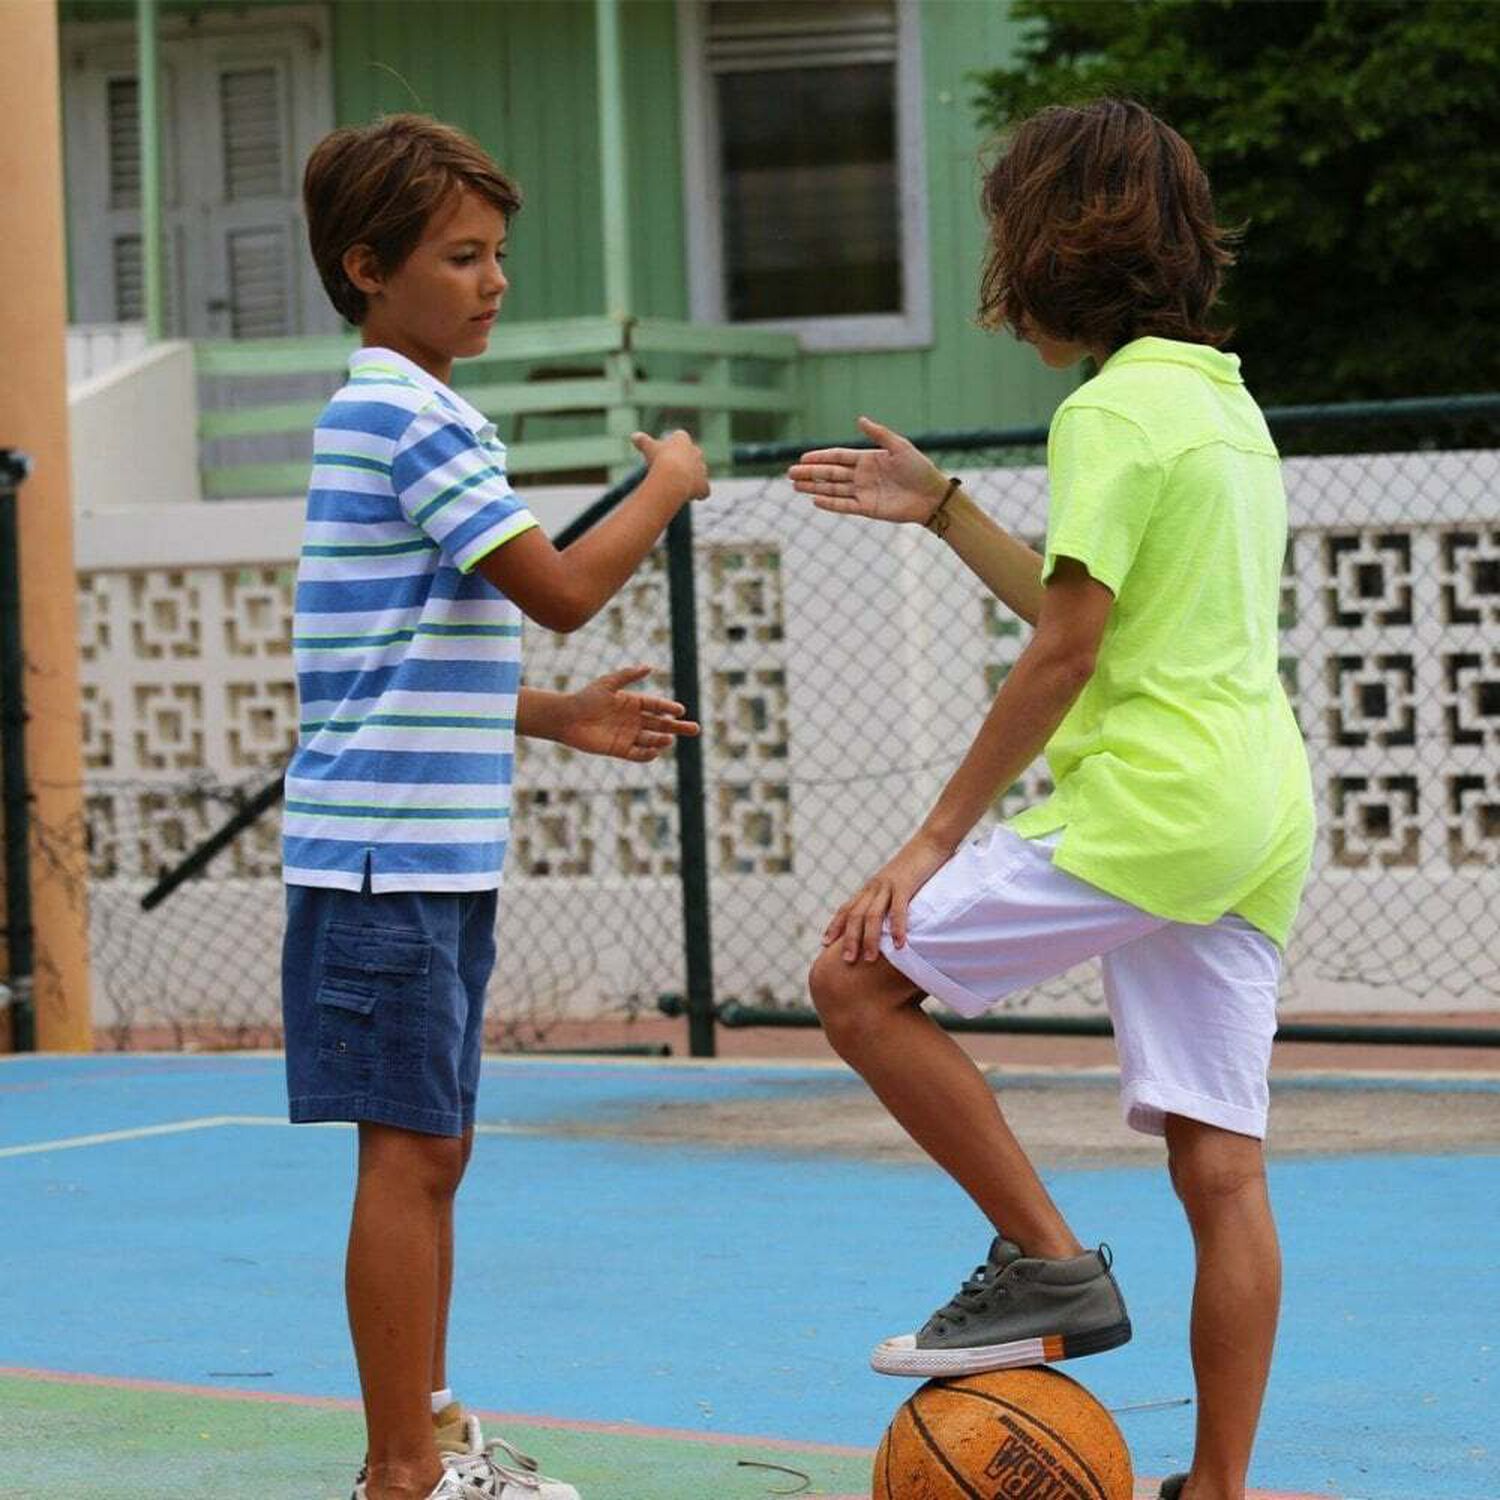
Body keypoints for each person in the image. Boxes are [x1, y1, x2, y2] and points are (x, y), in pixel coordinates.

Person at [788, 99, 1314, 1500]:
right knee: (1223, 1171)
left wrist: (930, 838)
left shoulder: (1108, 409)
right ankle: (1214, 1490)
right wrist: (947, 502)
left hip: (1157, 798)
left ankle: (1045, 1264)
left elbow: (1070, 650)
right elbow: (1092, 606)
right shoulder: (1219, 401)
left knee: (854, 982)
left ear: (1050, 245)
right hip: (1256, 806)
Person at [285, 114, 710, 1500]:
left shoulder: (414, 415)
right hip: (384, 862)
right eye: (460, 256)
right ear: (366, 267)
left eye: (497, 256)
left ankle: (435, 1430)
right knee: (408, 1159)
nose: (492, 281)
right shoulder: (402, 415)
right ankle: (402, 1471)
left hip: (427, 855)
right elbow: (567, 587)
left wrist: (557, 714)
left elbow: (396, 659)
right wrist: (669, 483)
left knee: (436, 1151)